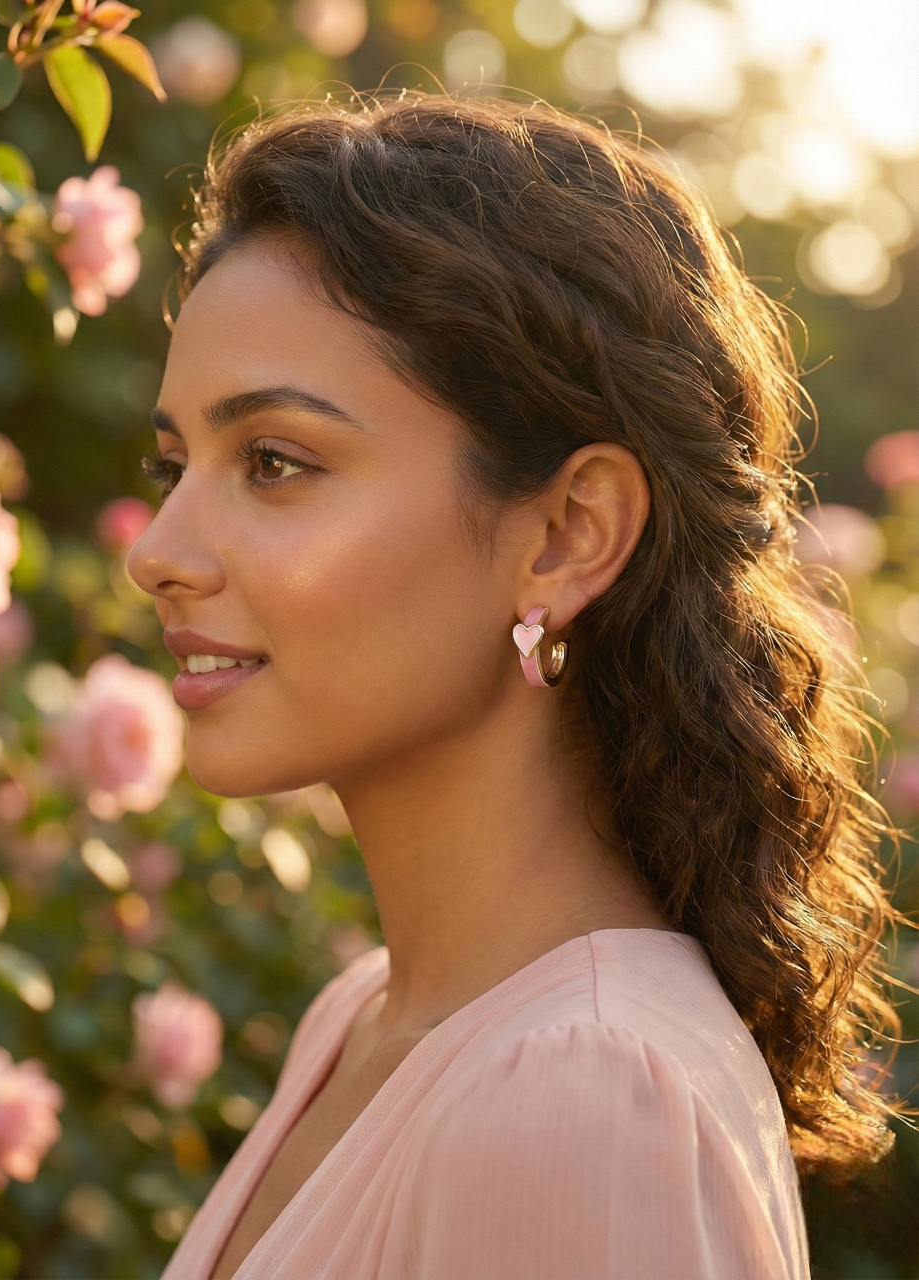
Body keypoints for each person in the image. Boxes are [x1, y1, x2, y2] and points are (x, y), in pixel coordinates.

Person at [128, 96, 895, 1280]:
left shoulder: (579, 1098)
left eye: (274, 461)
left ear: (567, 534)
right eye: (173, 464)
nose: (157, 551)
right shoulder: (366, 1020)